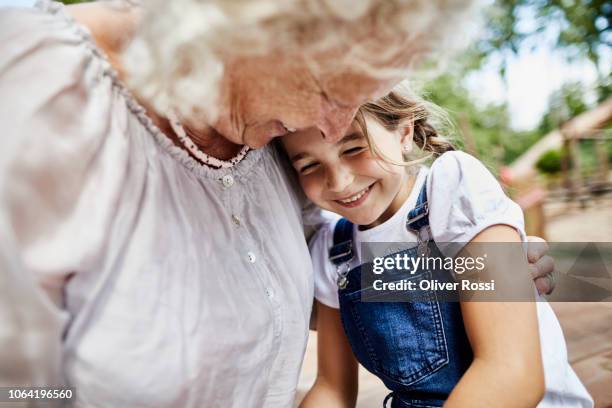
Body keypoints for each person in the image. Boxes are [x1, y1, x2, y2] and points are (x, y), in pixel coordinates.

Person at [0, 0, 556, 406]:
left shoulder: (274, 132)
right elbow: (22, 386)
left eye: (361, 98)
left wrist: (476, 271)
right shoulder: (34, 86)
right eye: (330, 88)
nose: (331, 128)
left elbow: (317, 299)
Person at [281, 90, 592, 407]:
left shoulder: (453, 188)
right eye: (309, 165)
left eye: (354, 148)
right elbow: (333, 389)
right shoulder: (333, 251)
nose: (339, 181)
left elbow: (512, 374)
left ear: (403, 132)